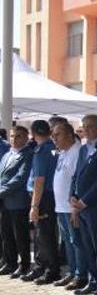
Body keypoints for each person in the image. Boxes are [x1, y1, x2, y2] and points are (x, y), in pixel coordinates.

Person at [70, 115, 97, 295]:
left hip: (95, 206)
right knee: (88, 246)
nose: (86, 130)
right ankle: (93, 280)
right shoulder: (83, 149)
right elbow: (76, 174)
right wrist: (73, 196)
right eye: (84, 127)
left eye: (89, 127)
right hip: (81, 207)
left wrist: (84, 201)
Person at [50, 123, 86, 290]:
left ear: (70, 135)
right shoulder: (63, 152)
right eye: (53, 134)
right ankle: (72, 271)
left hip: (71, 207)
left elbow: (77, 181)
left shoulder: (78, 151)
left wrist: (75, 208)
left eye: (57, 134)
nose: (54, 138)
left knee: (77, 242)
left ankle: (81, 275)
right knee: (68, 242)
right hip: (60, 206)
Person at [26, 120, 61, 284]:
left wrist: (34, 205)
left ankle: (50, 270)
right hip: (51, 195)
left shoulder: (41, 151)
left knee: (44, 235)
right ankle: (42, 266)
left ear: (33, 133)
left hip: (43, 196)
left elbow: (39, 180)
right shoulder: (54, 148)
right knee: (45, 234)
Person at [0, 127, 35, 279]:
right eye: (12, 136)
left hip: (18, 201)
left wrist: (1, 191)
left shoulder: (28, 154)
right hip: (5, 202)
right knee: (6, 234)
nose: (14, 139)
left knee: (20, 235)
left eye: (18, 136)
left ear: (26, 137)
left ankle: (24, 265)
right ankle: (10, 262)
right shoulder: (7, 154)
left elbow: (20, 178)